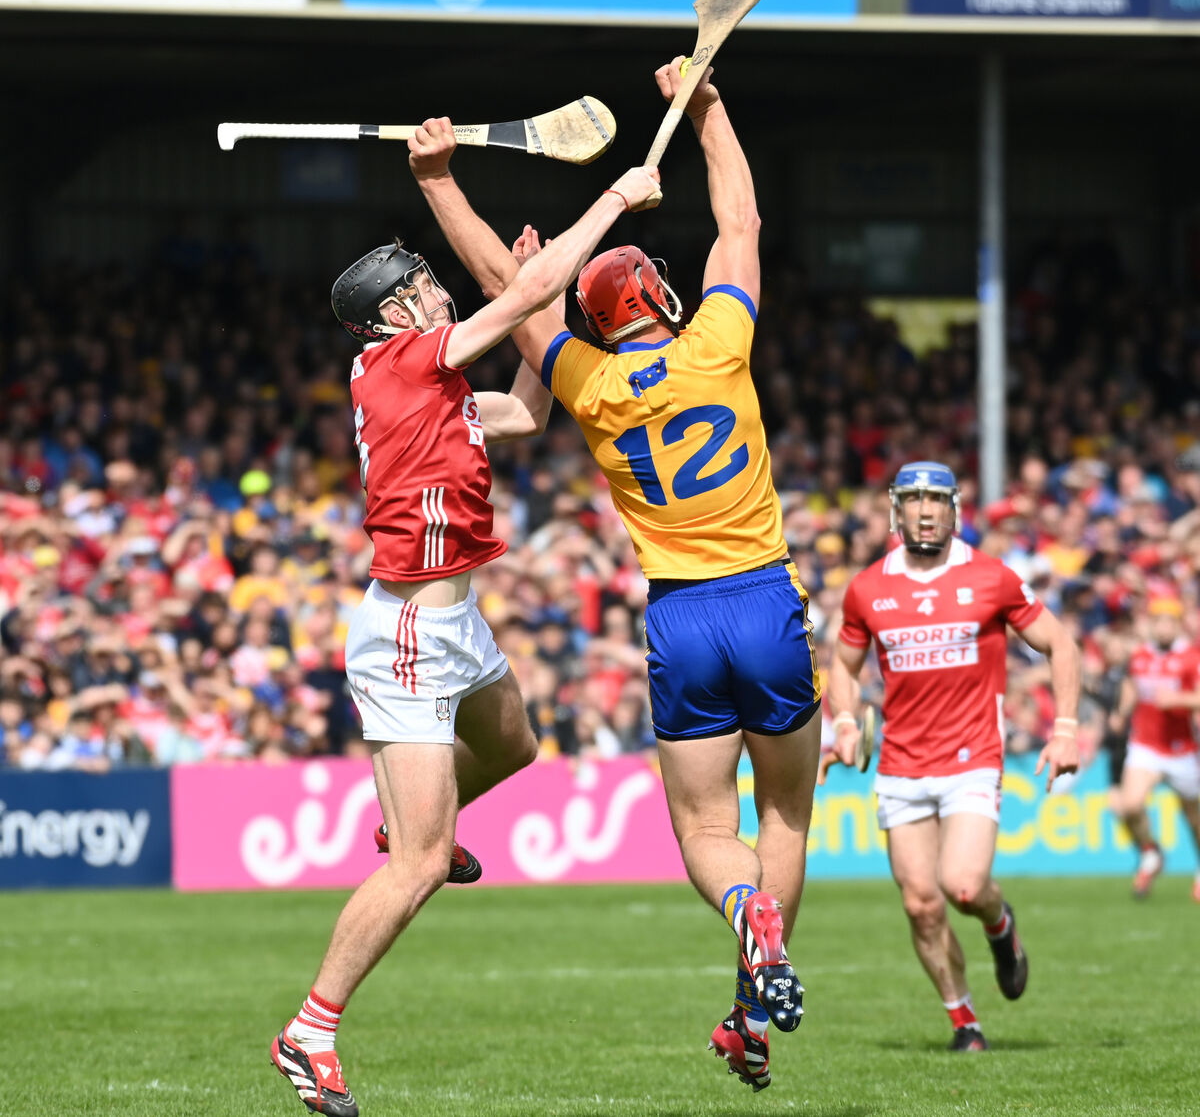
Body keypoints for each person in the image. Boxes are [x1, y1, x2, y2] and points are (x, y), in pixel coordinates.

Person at [403, 59, 820, 1093]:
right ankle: (751, 1006)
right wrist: (708, 107)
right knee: (784, 817)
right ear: (664, 297)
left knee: (706, 829)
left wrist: (440, 182)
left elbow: (506, 289)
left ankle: (745, 916)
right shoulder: (719, 341)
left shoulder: (584, 380)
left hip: (681, 616)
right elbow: (740, 221)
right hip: (765, 597)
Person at [268, 161, 663, 1117]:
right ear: (397, 311)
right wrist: (611, 205)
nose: (439, 288)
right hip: (411, 627)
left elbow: (529, 408)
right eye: (424, 282)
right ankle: (310, 1031)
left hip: (454, 620)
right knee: (419, 865)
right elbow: (520, 296)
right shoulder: (407, 361)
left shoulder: (428, 384)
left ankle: (415, 823)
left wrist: (536, 307)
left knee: (514, 746)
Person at [821, 461, 1081, 1052]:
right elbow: (843, 665)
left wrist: (1065, 728)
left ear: (954, 510)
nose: (926, 511)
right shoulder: (868, 588)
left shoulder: (991, 577)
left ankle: (1000, 923)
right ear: (897, 510)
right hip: (901, 763)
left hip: (972, 757)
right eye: (915, 501)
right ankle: (964, 1022)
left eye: (937, 500)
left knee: (962, 886)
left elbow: (1061, 644)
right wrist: (845, 721)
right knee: (921, 904)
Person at [1110, 595, 1200, 901]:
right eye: (1158, 621)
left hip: (1182, 749)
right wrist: (1122, 711)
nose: (1163, 627)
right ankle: (1151, 851)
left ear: (1177, 624)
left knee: (1194, 818)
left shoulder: (1191, 657)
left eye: (1169, 622)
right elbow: (1131, 685)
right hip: (1145, 744)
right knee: (1129, 805)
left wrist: (1178, 700)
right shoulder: (1140, 655)